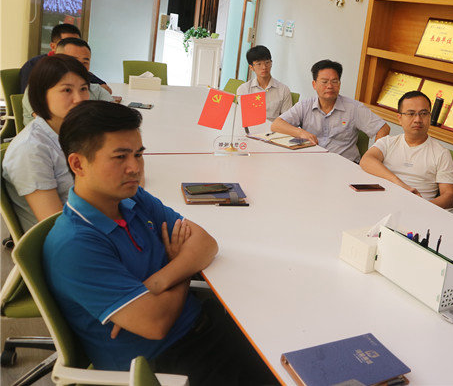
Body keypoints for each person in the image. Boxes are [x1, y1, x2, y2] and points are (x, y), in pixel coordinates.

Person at [43, 101, 277, 384]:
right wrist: (181, 265)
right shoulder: (74, 245)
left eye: (138, 154)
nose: (135, 168)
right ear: (78, 164)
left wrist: (156, 282)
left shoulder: (132, 198)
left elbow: (206, 244)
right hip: (163, 364)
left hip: (204, 328)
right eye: (120, 157)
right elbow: (156, 324)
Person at [2, 55, 90, 233]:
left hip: (90, 221)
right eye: (67, 90)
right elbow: (57, 225)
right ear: (41, 94)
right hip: (69, 239)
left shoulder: (73, 132)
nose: (79, 99)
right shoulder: (30, 149)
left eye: (83, 89)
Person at [271, 59, 389, 162]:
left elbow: (383, 128)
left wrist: (372, 157)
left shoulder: (354, 108)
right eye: (324, 82)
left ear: (339, 84)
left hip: (344, 166)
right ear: (314, 84)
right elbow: (276, 124)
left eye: (334, 81)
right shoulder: (305, 105)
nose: (330, 86)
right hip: (311, 162)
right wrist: (301, 133)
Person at [360, 91, 453, 209]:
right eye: (411, 114)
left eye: (423, 113)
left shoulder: (441, 153)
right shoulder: (388, 142)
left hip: (417, 210)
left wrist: (422, 207)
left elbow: (450, 196)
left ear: (429, 117)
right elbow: (366, 160)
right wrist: (399, 184)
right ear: (400, 118)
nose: (418, 119)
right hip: (381, 203)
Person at [21, 37, 113, 127]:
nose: (80, 67)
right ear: (56, 60)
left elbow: (113, 117)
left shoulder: (96, 90)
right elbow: (51, 124)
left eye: (85, 62)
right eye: (73, 61)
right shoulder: (38, 88)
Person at [19, 23, 110, 94]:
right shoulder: (35, 66)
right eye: (66, 42)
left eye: (76, 42)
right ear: (53, 47)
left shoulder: (79, 65)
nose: (73, 46)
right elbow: (30, 97)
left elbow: (104, 88)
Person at [236, 45, 292, 123]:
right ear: (251, 67)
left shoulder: (283, 90)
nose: (264, 67)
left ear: (271, 63)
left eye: (267, 62)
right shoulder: (243, 90)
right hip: (251, 127)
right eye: (259, 64)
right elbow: (243, 117)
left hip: (273, 129)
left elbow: (287, 120)